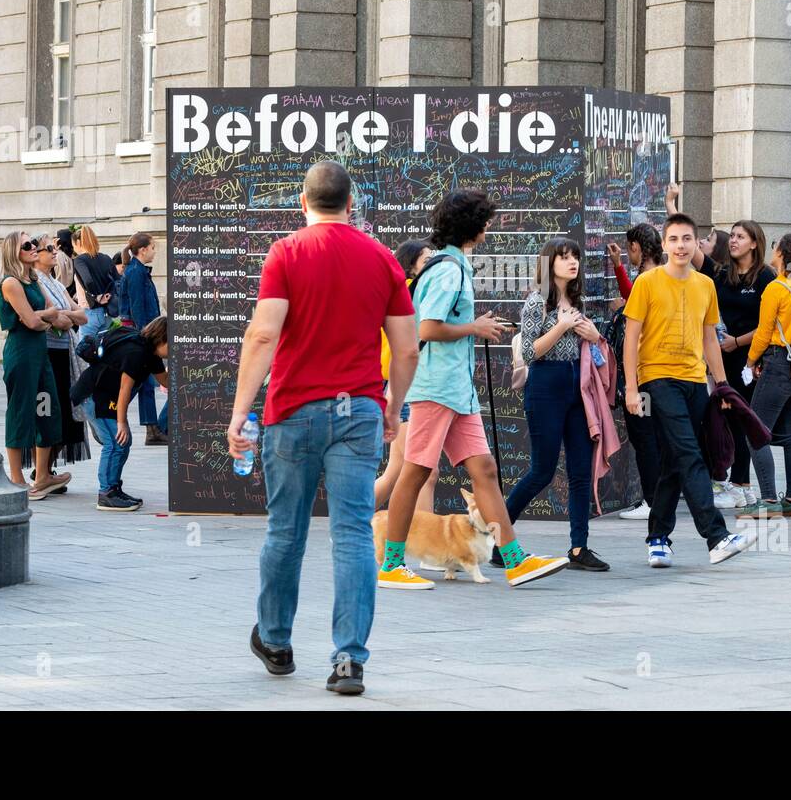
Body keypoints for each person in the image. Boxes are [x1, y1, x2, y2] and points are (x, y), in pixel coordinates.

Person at [226, 161, 419, 697]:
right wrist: (393, 407)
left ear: (302, 203)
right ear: (351, 204)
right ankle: (349, 660)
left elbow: (263, 337)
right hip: (358, 409)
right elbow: (406, 348)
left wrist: (240, 411)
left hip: (293, 411)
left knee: (286, 531)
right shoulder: (382, 259)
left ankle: (276, 640)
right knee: (354, 532)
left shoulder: (286, 253)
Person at [379, 189, 568, 590]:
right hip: (436, 388)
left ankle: (515, 560)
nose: (489, 226)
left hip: (456, 391)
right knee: (414, 473)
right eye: (485, 219)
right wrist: (475, 328)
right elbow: (426, 327)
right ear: (473, 224)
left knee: (484, 469)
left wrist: (473, 325)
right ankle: (391, 564)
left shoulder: (453, 264)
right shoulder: (449, 269)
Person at [623, 212, 758, 568]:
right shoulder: (647, 283)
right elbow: (631, 338)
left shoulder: (705, 285)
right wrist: (631, 388)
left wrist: (723, 385)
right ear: (664, 245)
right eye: (674, 239)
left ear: (695, 244)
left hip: (696, 381)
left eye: (687, 239)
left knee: (675, 459)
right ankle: (716, 537)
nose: (681, 246)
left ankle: (657, 539)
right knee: (689, 453)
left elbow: (709, 338)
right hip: (658, 379)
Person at [500, 237, 609, 572]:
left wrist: (591, 334)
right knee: (542, 471)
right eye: (564, 257)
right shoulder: (537, 302)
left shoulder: (576, 300)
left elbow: (592, 351)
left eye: (575, 256)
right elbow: (531, 352)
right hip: (545, 384)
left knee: (579, 470)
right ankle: (499, 538)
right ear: (550, 263)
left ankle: (579, 547)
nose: (572, 261)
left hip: (577, 385)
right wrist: (562, 325)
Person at [739, 233, 791, 519]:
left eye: (775, 246)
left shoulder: (776, 288)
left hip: (778, 361)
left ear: (782, 253)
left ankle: (769, 500)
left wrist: (750, 362)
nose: (772, 251)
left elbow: (762, 333)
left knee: (755, 431)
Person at [709, 220, 775, 510]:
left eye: (740, 236)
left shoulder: (766, 277)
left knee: (744, 419)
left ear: (754, 243)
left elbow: (768, 324)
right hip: (722, 356)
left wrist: (737, 341)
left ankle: (739, 485)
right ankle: (740, 485)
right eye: (732, 236)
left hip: (750, 359)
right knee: (726, 419)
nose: (733, 241)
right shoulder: (722, 275)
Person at [373, 240, 440, 514]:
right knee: (424, 471)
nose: (434, 265)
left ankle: (352, 524)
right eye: (426, 261)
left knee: (399, 470)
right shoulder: (414, 292)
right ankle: (426, 547)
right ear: (410, 266)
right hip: (409, 385)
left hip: (402, 383)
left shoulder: (402, 292)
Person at [80, 316, 169, 511]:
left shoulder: (151, 353)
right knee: (115, 442)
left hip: (108, 399)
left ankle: (114, 488)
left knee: (122, 442)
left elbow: (166, 382)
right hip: (94, 397)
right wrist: (122, 422)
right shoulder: (136, 352)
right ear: (162, 339)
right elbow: (124, 389)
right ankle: (106, 494)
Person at [0, 231, 64, 495]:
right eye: (27, 245)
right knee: (21, 412)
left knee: (47, 408)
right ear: (15, 251)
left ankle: (43, 475)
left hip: (39, 351)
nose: (34, 247)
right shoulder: (11, 283)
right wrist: (42, 317)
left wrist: (40, 316)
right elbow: (35, 322)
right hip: (22, 353)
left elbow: (52, 311)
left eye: (34, 244)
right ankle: (16, 478)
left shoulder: (33, 279)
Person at [607, 223, 663, 520]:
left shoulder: (646, 281)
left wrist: (622, 308)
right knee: (654, 437)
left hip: (641, 374)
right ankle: (657, 498)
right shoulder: (665, 277)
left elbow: (637, 302)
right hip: (661, 372)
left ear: (636, 248)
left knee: (644, 439)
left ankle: (652, 501)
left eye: (629, 249)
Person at [32, 232, 92, 492]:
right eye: (49, 249)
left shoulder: (55, 283)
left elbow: (81, 315)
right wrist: (64, 316)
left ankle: (47, 469)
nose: (55, 252)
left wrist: (62, 315)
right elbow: (56, 319)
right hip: (46, 354)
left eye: (54, 248)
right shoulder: (35, 281)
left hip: (63, 353)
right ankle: (41, 471)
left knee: (66, 414)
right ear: (36, 255)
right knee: (48, 412)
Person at [122, 232, 169, 445]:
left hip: (146, 333)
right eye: (152, 247)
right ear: (142, 250)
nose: (154, 251)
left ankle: (152, 428)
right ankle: (112, 412)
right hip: (143, 334)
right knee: (142, 383)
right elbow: (137, 306)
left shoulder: (139, 271)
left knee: (145, 383)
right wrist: (146, 336)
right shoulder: (135, 272)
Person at [72, 225, 121, 341]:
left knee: (85, 351)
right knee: (103, 350)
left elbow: (88, 280)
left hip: (90, 312)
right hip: (107, 313)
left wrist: (96, 297)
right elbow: (118, 281)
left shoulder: (80, 260)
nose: (73, 248)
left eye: (73, 245)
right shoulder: (106, 258)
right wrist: (109, 295)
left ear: (78, 242)